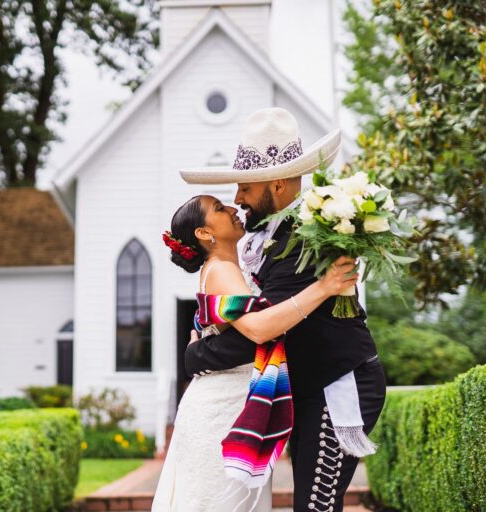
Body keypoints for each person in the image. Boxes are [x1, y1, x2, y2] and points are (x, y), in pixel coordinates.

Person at [180, 107, 386, 512]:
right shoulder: (268, 239)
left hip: (337, 383)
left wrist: (195, 355)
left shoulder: (302, 241)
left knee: (315, 505)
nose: (237, 198)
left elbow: (263, 330)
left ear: (276, 184)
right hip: (307, 385)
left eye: (245, 187)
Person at [152, 193, 359, 512]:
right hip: (221, 409)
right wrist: (324, 287)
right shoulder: (220, 269)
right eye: (219, 209)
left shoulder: (230, 270)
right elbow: (261, 329)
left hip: (232, 400)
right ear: (204, 233)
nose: (232, 208)